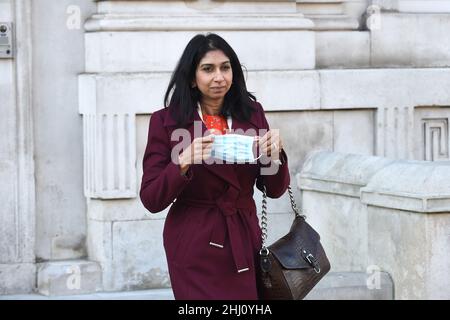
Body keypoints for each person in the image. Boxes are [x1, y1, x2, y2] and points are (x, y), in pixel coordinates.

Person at [140, 33, 290, 300]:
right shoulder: (165, 122)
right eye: (208, 69)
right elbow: (151, 198)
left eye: (225, 67)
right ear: (191, 77)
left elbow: (275, 189)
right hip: (193, 242)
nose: (219, 77)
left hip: (244, 237)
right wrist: (183, 162)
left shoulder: (252, 113)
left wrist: (275, 154)